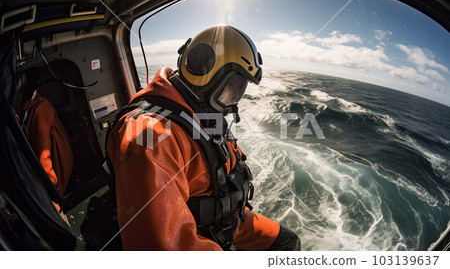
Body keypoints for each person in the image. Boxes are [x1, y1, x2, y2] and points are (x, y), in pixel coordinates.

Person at [107, 25, 301, 250]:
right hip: (202, 233)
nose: (233, 105)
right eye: (231, 89)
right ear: (201, 70)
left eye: (239, 91)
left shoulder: (198, 111)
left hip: (229, 221)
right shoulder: (151, 136)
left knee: (289, 243)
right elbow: (165, 247)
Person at [19, 67, 74, 214]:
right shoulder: (28, 107)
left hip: (51, 184)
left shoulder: (40, 109)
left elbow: (43, 155)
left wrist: (52, 192)